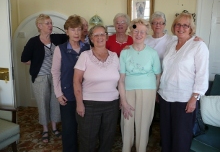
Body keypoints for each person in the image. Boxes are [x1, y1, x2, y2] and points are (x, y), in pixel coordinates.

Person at [158, 12, 209, 152]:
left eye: (185, 25)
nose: (181, 28)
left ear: (191, 28)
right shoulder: (171, 43)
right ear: (174, 27)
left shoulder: (198, 46)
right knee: (166, 134)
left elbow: (202, 74)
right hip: (165, 96)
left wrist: (195, 97)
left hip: (184, 99)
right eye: (178, 25)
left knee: (181, 137)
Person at [21, 14, 67, 143]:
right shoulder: (33, 41)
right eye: (47, 23)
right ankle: (45, 129)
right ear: (39, 26)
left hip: (56, 76)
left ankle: (54, 128)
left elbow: (71, 37)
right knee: (42, 103)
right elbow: (24, 59)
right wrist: (36, 63)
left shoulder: (57, 38)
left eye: (51, 23)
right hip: (40, 77)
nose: (50, 25)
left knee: (55, 102)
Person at [74, 25, 120, 152]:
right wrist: (79, 103)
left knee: (108, 138)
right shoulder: (85, 56)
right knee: (87, 139)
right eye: (96, 35)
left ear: (106, 37)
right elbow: (76, 81)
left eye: (102, 34)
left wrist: (122, 100)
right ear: (91, 38)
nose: (100, 37)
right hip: (89, 104)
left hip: (112, 104)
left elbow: (121, 80)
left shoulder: (115, 56)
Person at [119, 18, 161, 152]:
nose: (139, 34)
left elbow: (158, 76)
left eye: (142, 31)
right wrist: (123, 100)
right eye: (136, 31)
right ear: (130, 32)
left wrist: (154, 94)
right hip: (128, 91)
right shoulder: (124, 52)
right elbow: (121, 79)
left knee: (143, 126)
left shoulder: (153, 53)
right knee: (127, 124)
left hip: (148, 92)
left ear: (146, 33)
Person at [51, 15, 90, 152]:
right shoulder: (59, 49)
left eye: (79, 29)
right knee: (69, 129)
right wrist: (58, 94)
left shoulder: (87, 48)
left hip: (86, 94)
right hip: (67, 94)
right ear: (66, 31)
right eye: (73, 29)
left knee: (86, 128)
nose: (76, 33)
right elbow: (55, 73)